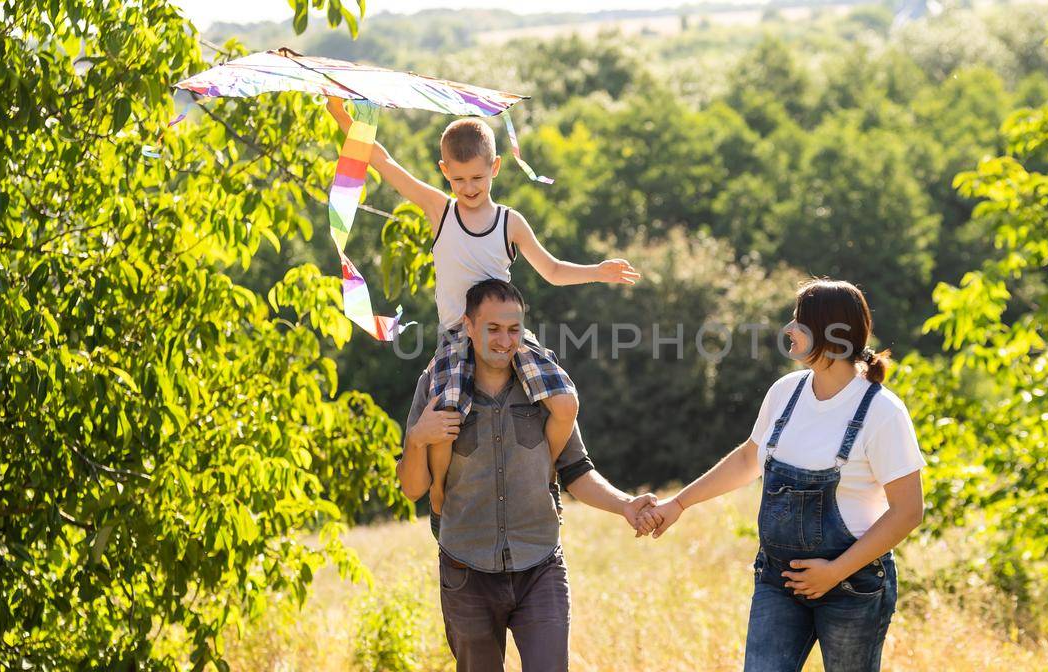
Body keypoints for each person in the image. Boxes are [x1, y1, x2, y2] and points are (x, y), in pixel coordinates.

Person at [350, 103, 640, 516]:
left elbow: (553, 270)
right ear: (444, 170)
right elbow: (382, 159)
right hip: (458, 334)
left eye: (477, 178)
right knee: (448, 416)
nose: (468, 188)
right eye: (458, 178)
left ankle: (548, 470)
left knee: (565, 403)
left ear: (496, 168)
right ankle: (438, 495)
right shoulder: (440, 210)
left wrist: (599, 271)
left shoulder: (509, 222)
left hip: (506, 331)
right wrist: (343, 118)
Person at [643, 278, 926, 672]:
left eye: (799, 322)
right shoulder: (786, 392)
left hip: (852, 586)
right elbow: (747, 461)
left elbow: (908, 510)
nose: (788, 330)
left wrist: (834, 572)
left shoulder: (882, 413)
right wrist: (679, 503)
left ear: (832, 333)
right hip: (779, 580)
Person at [399, 279, 659, 672]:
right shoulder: (437, 386)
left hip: (540, 565)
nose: (504, 341)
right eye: (493, 329)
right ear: (468, 326)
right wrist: (418, 439)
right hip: (466, 570)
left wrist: (625, 504)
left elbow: (575, 469)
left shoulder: (545, 390)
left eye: (513, 329)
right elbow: (412, 488)